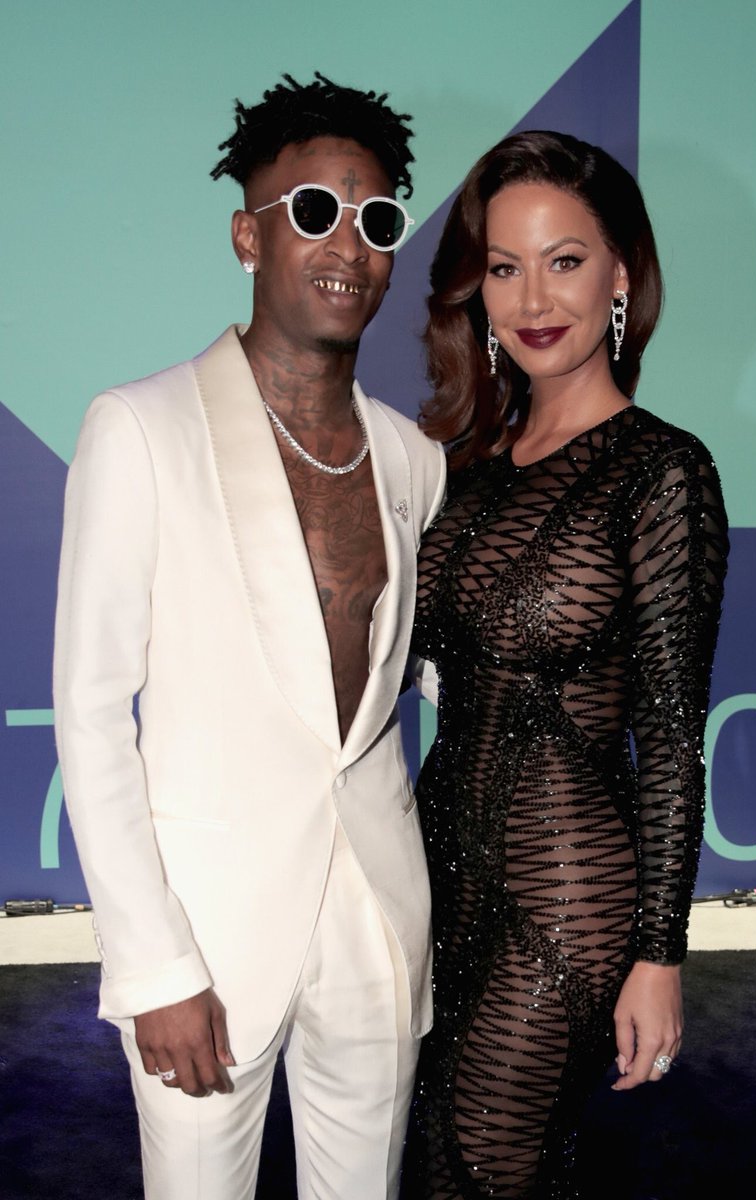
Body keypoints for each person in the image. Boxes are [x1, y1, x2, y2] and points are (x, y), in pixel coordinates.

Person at [53, 72, 446, 1200]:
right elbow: (91, 711)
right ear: (247, 236)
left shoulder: (412, 458)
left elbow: (422, 673)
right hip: (207, 935)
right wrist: (153, 963)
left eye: (376, 220)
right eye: (314, 211)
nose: (349, 246)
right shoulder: (140, 427)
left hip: (375, 916)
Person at [402, 130, 729, 1198]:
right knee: (443, 1160)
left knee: (489, 1155)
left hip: (567, 893)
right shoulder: (465, 470)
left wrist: (659, 955)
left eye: (565, 260)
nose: (533, 298)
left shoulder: (662, 471)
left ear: (620, 275)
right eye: (504, 267)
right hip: (437, 872)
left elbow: (671, 733)